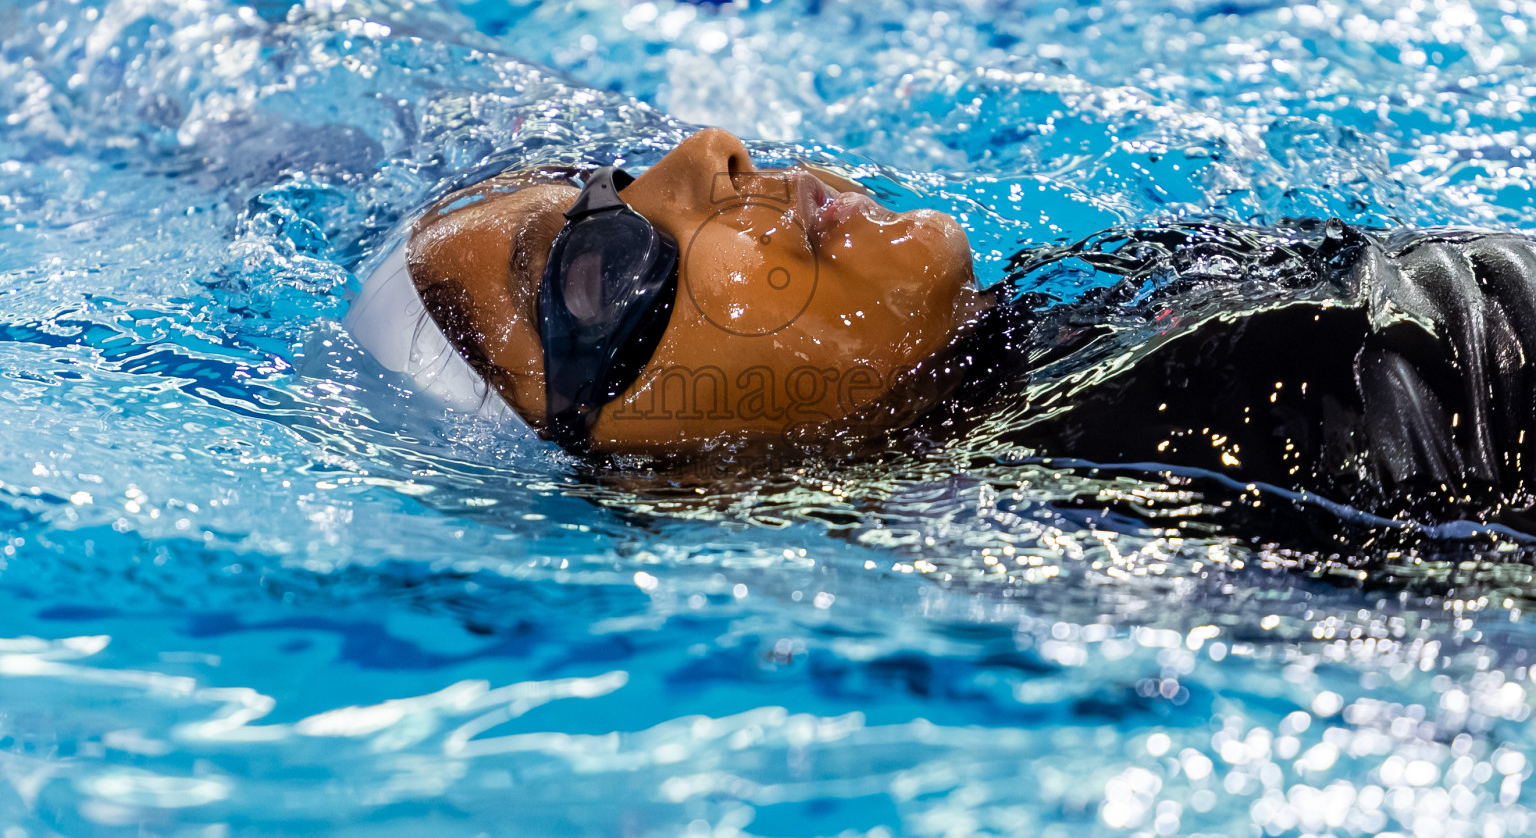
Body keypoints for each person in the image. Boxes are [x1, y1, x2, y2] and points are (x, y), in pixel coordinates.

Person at [346, 127, 1536, 540]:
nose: (707, 151)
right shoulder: (1122, 490)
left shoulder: (1066, 315)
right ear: (679, 483)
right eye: (599, 269)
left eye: (611, 176)